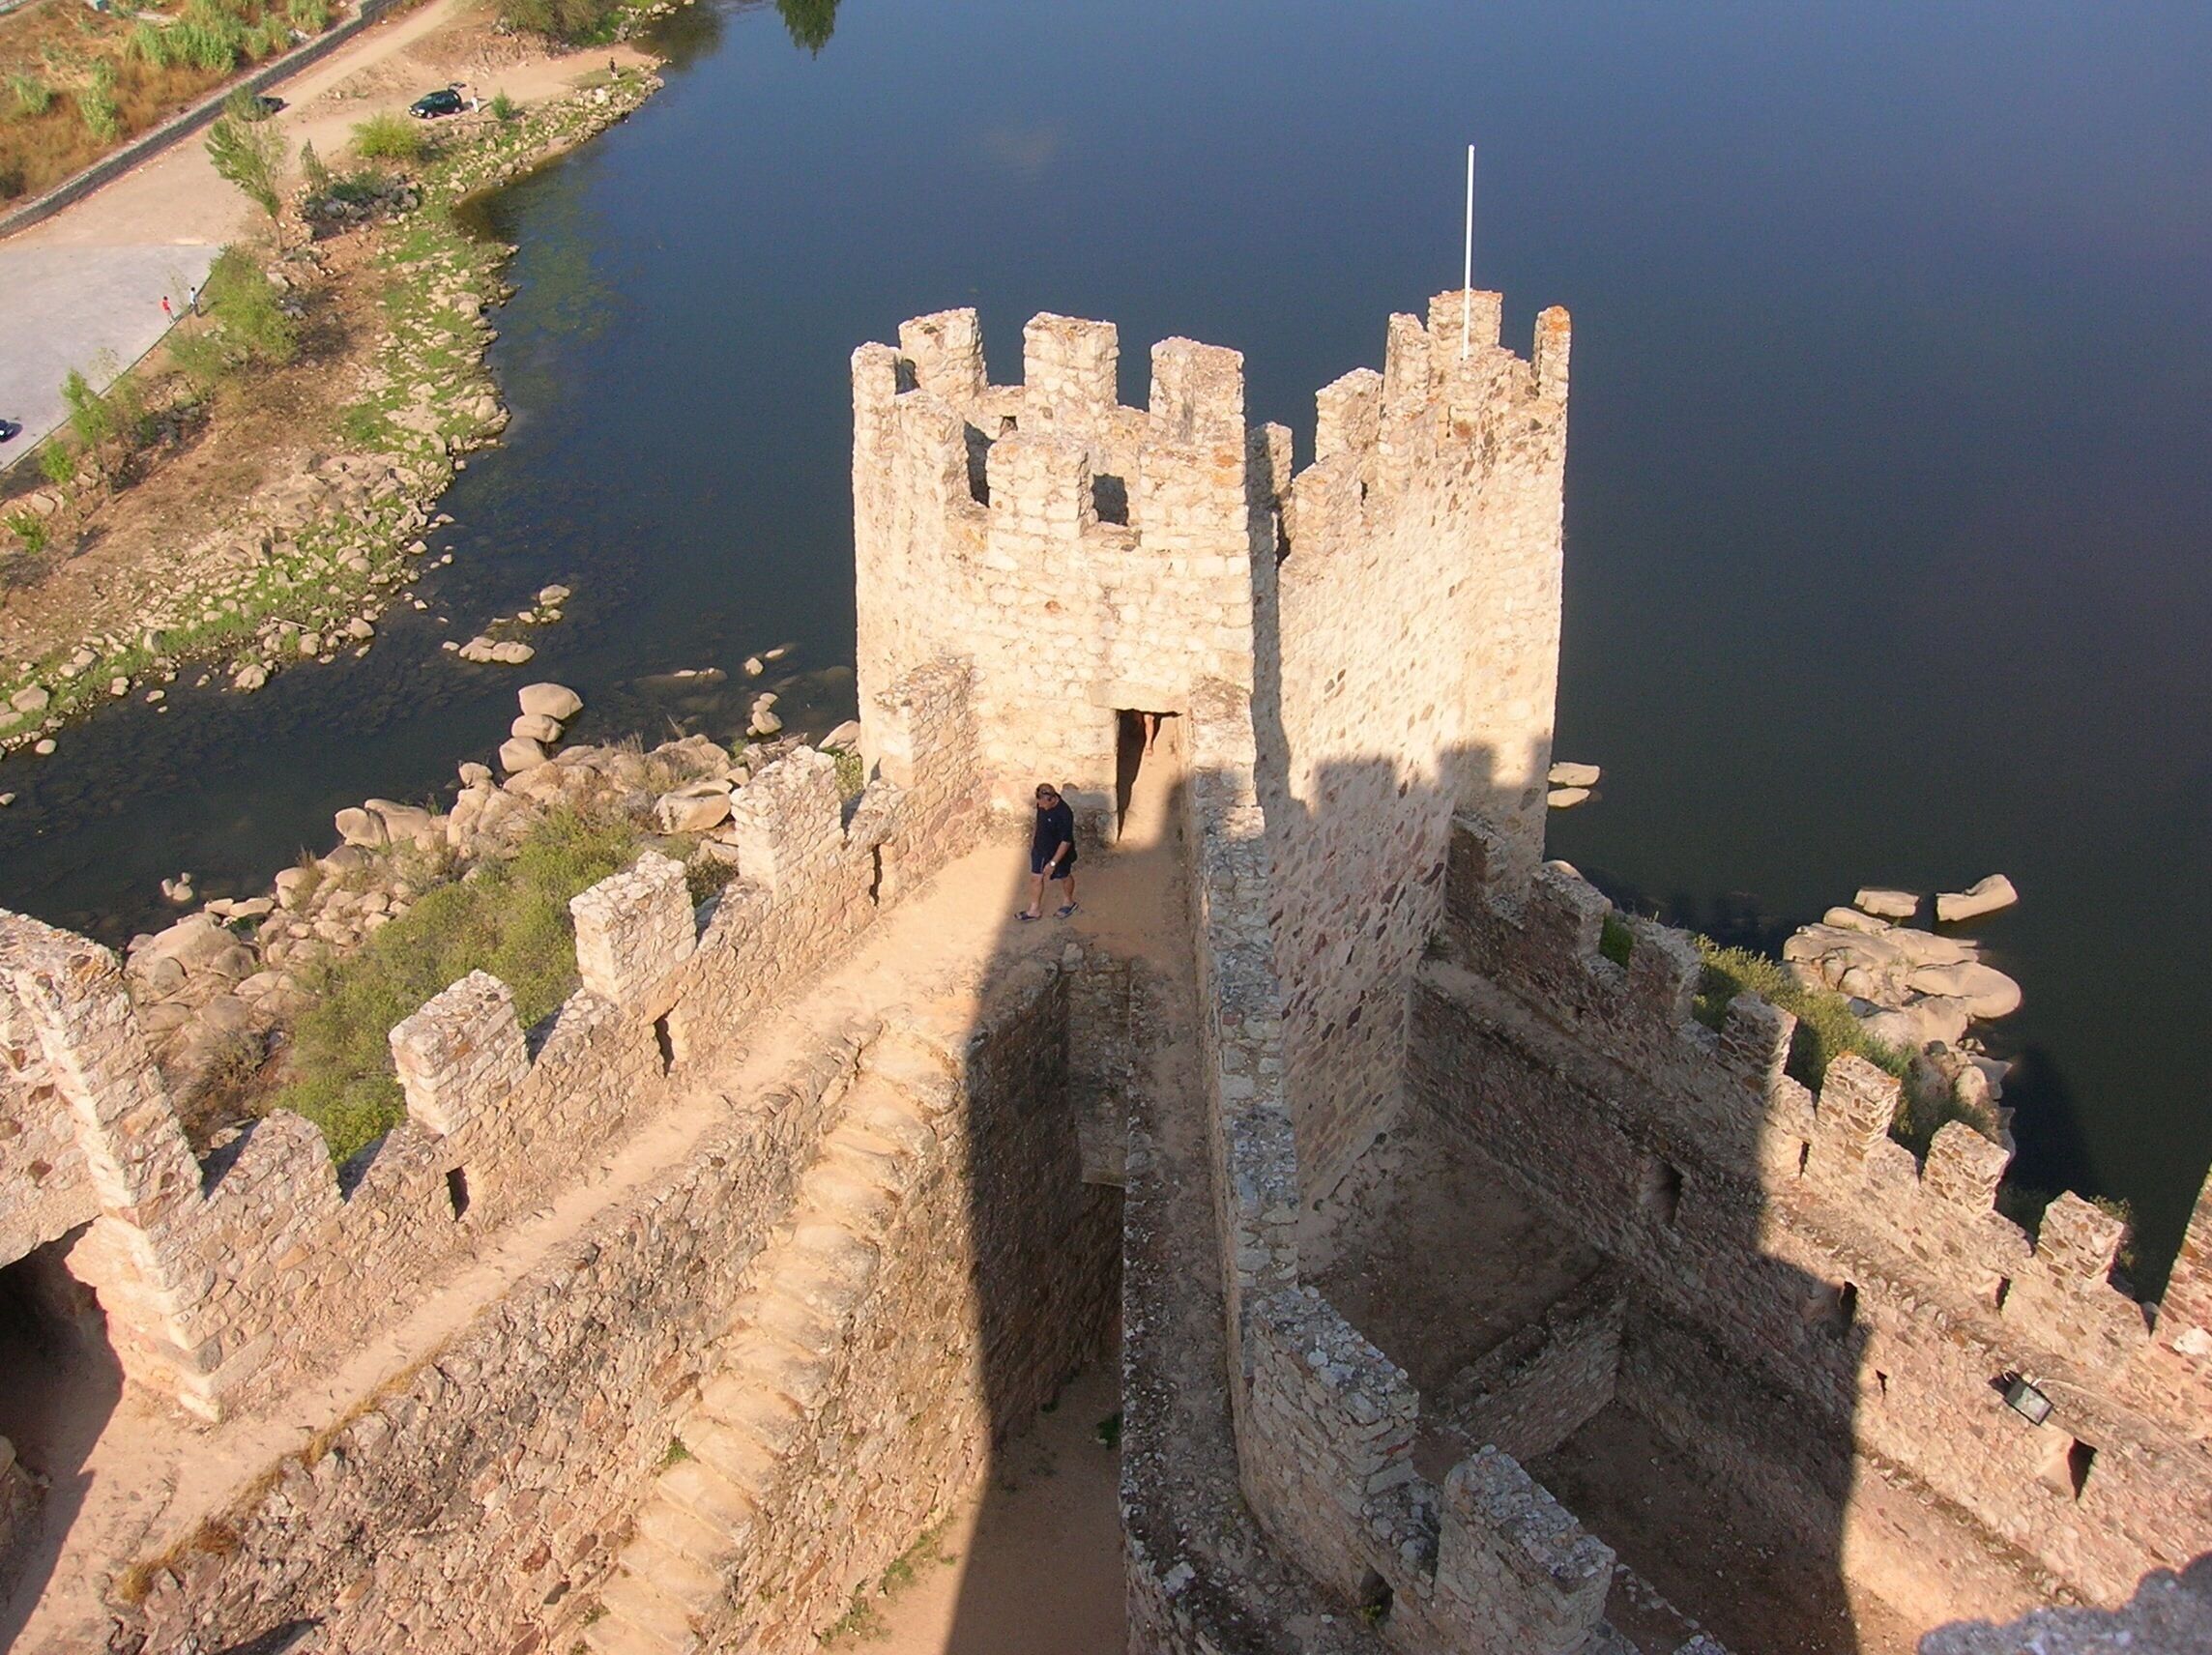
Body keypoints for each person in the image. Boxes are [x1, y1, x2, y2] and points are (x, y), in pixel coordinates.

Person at [1020, 783, 1078, 920]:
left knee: (1064, 876)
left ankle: (1069, 902)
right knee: (1036, 878)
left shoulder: (1065, 813)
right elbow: (1039, 824)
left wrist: (1053, 863)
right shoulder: (1042, 803)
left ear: (1052, 799)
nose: (1040, 806)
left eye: (1042, 803)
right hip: (1040, 849)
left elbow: (1066, 841)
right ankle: (1034, 910)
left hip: (1059, 853)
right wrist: (1034, 840)